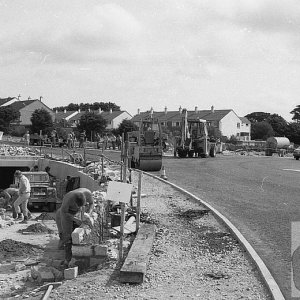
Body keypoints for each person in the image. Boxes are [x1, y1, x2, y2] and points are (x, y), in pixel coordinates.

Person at [55, 188, 95, 264]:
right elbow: (64, 213)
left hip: (76, 212)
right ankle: (67, 259)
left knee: (76, 230)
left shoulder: (87, 193)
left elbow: (92, 203)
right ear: (74, 202)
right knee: (67, 236)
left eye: (82, 206)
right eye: (78, 206)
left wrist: (89, 213)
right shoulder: (68, 198)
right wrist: (76, 220)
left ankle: (73, 251)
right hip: (65, 213)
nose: (79, 207)